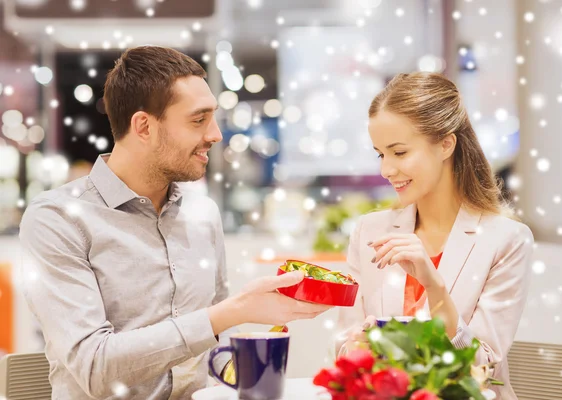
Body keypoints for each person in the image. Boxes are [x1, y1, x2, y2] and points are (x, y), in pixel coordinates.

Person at [19, 46, 330, 400]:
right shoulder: (57, 220)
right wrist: (224, 316)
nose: (215, 135)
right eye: (198, 120)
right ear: (144, 126)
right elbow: (94, 368)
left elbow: (219, 338)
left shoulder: (202, 212)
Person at [336, 72, 533, 400]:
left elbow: (481, 368)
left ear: (446, 144)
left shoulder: (507, 240)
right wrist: (356, 346)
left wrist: (434, 285)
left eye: (399, 153)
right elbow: (345, 350)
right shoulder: (369, 232)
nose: (386, 169)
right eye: (380, 154)